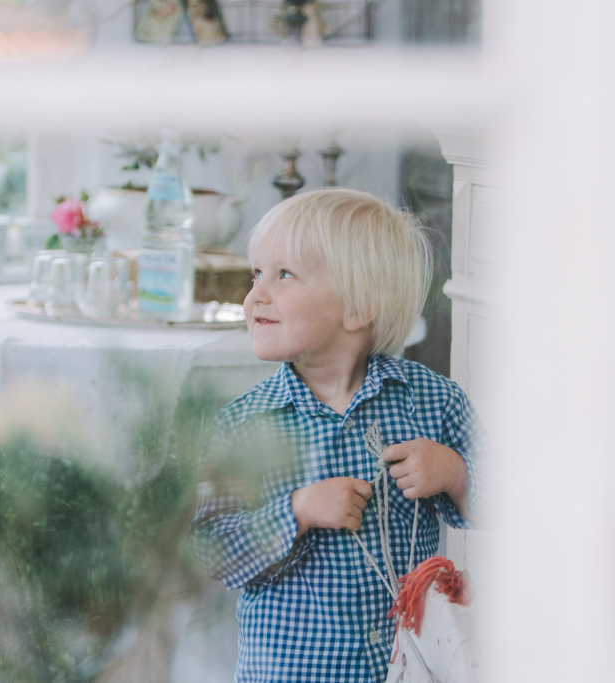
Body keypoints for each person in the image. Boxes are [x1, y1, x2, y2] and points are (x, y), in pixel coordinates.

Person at [188, 188, 485, 683]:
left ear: (358, 308)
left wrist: (456, 474)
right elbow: (210, 555)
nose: (255, 294)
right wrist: (297, 512)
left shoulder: (433, 402)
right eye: (255, 273)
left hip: (411, 667)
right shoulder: (246, 424)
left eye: (284, 275)